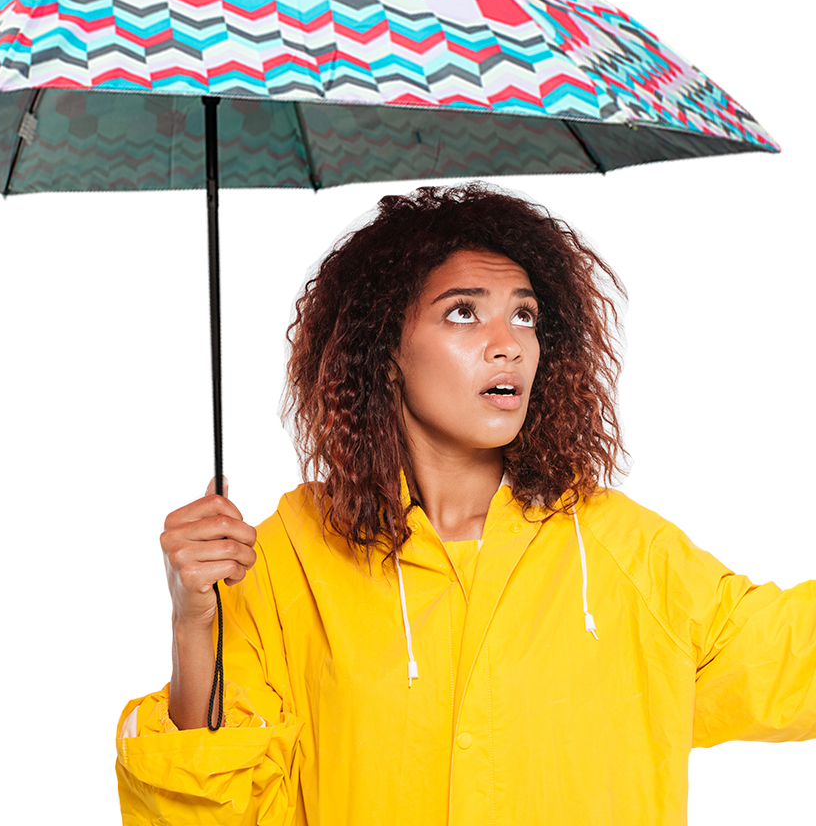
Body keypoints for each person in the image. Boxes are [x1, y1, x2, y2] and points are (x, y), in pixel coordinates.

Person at [115, 183, 815, 826]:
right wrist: (194, 625)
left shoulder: (621, 552)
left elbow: (787, 660)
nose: (506, 344)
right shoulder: (292, 559)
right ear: (385, 348)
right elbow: (209, 813)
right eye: (463, 313)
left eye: (525, 315)